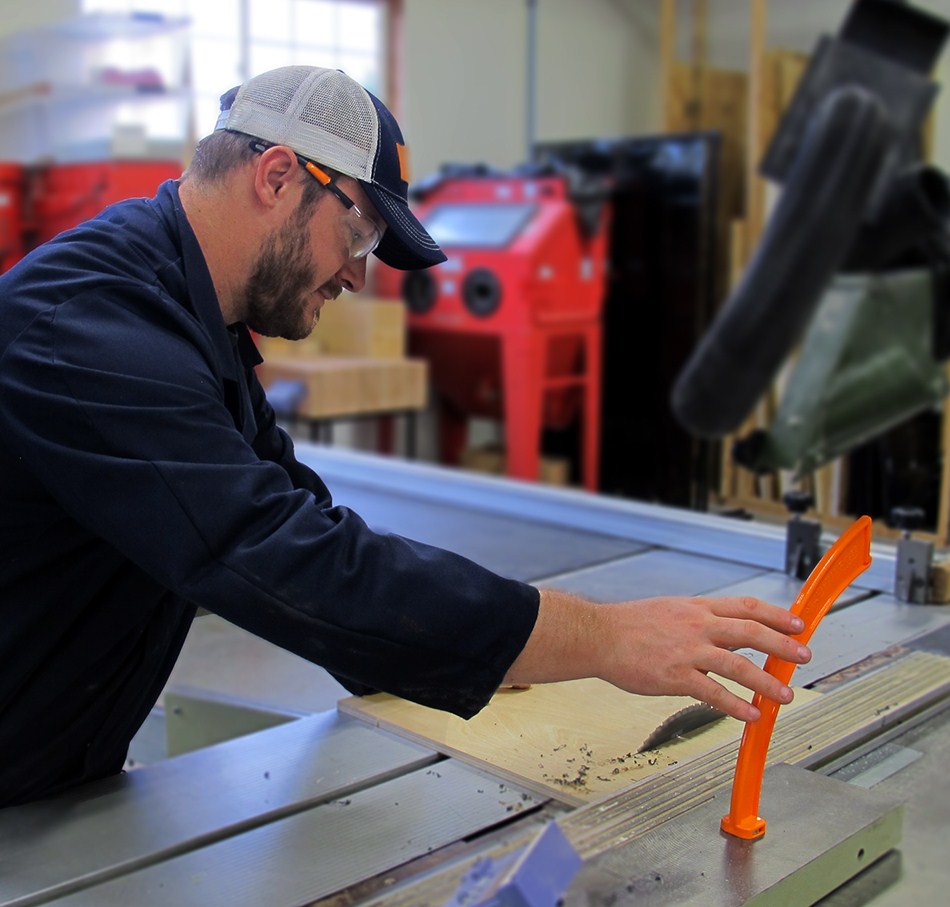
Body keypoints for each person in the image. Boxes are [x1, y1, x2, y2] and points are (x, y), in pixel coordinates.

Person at [0, 66, 810, 809]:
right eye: (356, 235)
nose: (357, 274)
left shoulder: (191, 322)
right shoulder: (88, 326)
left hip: (56, 772)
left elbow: (300, 512)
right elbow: (272, 552)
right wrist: (598, 636)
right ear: (278, 175)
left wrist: (487, 650)